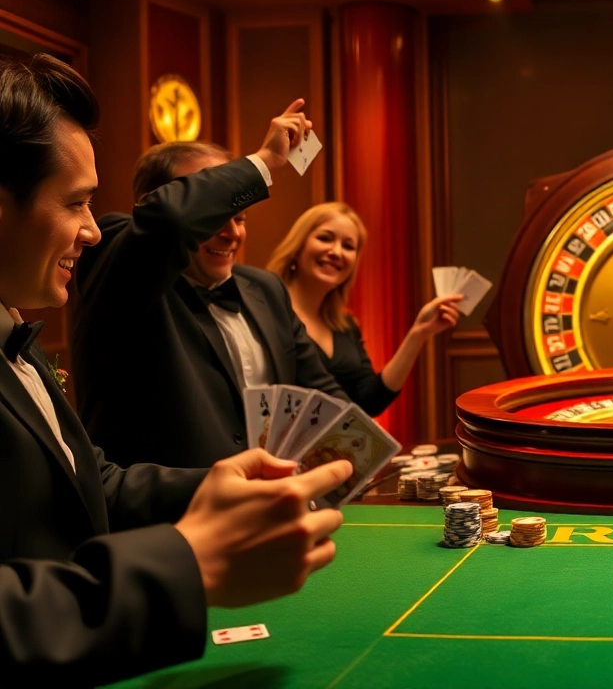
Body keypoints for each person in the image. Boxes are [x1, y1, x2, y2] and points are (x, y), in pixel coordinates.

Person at [0, 52, 354, 682]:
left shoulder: (14, 335)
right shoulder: (123, 270)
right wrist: (188, 563)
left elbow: (93, 484)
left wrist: (221, 488)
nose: (89, 230)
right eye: (76, 203)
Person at [74, 115, 350, 469]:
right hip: (170, 503)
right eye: (214, 214)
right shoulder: (118, 266)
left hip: (272, 497)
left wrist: (364, 450)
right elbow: (171, 220)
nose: (232, 232)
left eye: (240, 217)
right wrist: (264, 160)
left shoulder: (265, 288)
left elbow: (319, 393)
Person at [265, 203, 461, 416]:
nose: (336, 252)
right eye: (325, 238)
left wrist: (418, 333)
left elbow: (370, 401)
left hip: (338, 437)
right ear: (297, 246)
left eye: (348, 246)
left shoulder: (345, 326)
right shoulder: (267, 313)